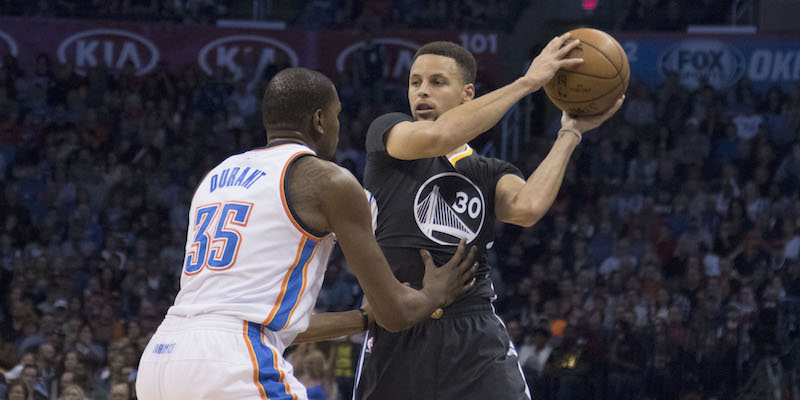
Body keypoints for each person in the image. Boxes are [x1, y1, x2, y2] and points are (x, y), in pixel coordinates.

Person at [135, 68, 477, 400]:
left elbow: (270, 322)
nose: (338, 127)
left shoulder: (217, 177)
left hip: (162, 357)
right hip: (233, 363)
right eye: (337, 115)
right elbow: (396, 314)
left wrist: (360, 320)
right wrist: (434, 293)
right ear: (318, 120)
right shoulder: (327, 180)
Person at [354, 36, 624, 399]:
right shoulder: (389, 136)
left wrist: (570, 132)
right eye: (414, 82)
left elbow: (527, 208)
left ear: (468, 94)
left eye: (437, 82)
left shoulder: (489, 170)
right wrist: (528, 82)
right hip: (399, 324)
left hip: (473, 328)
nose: (422, 92)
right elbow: (441, 135)